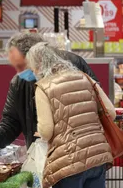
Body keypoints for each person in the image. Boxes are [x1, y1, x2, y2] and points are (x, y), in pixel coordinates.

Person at [0, 33, 98, 151]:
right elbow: (11, 121)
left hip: (83, 150)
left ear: (39, 56)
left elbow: (96, 104)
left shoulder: (74, 65)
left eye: (23, 66)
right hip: (45, 157)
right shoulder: (19, 82)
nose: (19, 72)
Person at [26, 42, 114, 188]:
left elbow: (47, 131)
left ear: (39, 64)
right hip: (98, 155)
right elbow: (110, 112)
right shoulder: (85, 77)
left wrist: (41, 132)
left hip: (69, 161)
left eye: (32, 67)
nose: (32, 71)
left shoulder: (43, 87)